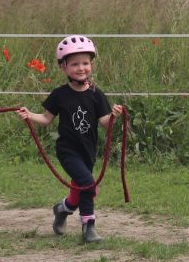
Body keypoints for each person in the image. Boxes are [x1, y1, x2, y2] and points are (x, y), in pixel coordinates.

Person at [16, 35, 123, 243]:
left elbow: (104, 121)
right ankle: (88, 226)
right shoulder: (59, 95)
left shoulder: (96, 94)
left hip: (88, 151)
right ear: (64, 67)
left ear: (91, 64)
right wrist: (29, 115)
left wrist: (114, 116)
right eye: (74, 64)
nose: (81, 68)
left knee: (81, 188)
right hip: (68, 151)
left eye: (85, 63)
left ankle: (62, 209)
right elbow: (46, 118)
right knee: (87, 184)